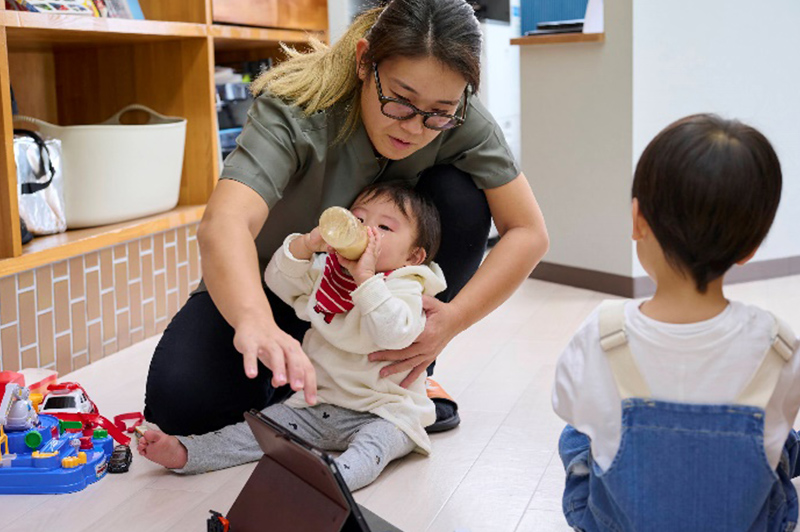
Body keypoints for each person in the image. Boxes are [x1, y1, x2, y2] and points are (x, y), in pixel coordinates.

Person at [144, 0, 548, 439]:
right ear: (363, 61)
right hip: (280, 285)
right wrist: (255, 320)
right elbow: (223, 224)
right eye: (399, 101)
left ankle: (401, 378)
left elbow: (528, 231)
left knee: (462, 196)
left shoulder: (457, 118)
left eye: (438, 113)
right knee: (181, 403)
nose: (414, 127)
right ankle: (318, 382)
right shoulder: (296, 106)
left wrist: (450, 321)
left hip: (378, 301)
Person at [553, 114, 800, 531]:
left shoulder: (601, 333)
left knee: (577, 437)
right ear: (752, 246)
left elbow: (569, 405)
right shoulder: (779, 343)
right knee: (780, 438)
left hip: (626, 522)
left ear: (637, 219)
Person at [139, 183, 446, 491]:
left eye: (384, 227)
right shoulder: (330, 272)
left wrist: (365, 279)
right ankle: (190, 453)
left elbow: (392, 334)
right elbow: (278, 281)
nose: (367, 232)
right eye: (359, 220)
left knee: (374, 447)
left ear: (413, 256)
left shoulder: (408, 287)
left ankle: (332, 480)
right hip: (319, 405)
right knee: (258, 431)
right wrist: (306, 245)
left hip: (386, 412)